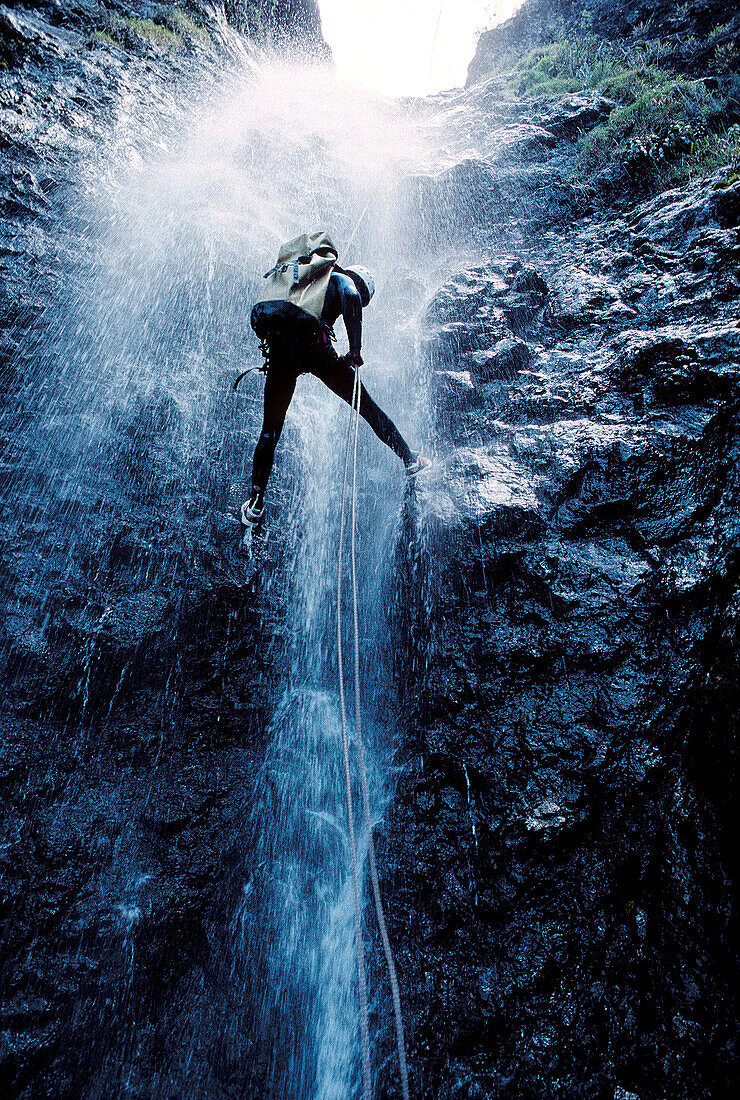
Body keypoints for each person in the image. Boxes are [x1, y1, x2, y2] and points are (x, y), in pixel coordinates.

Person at [242, 259, 430, 526]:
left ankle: (256, 503)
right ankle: (409, 458)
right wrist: (355, 349)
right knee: (366, 406)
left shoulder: (306, 286)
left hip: (282, 351)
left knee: (270, 430)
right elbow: (351, 296)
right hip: (312, 347)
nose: (358, 303)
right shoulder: (341, 279)